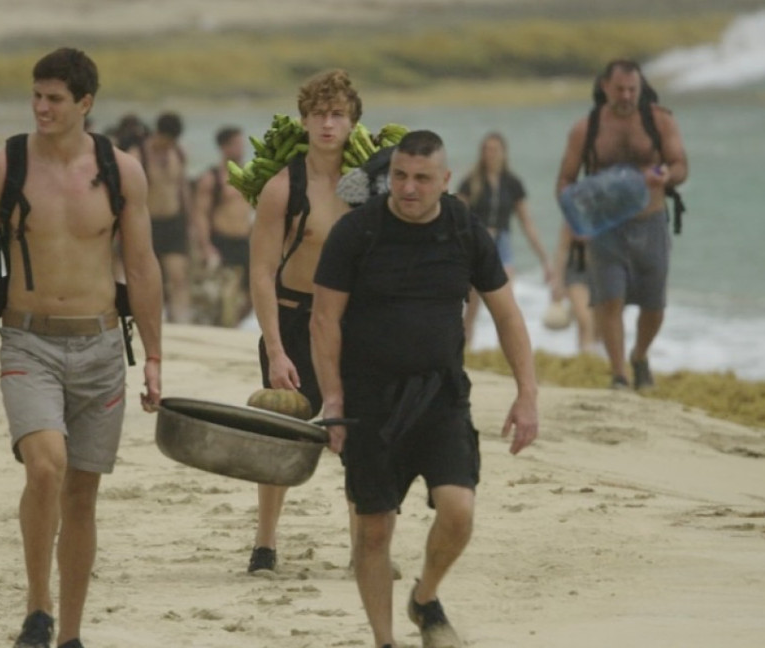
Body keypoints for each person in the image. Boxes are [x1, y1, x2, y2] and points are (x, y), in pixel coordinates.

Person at [0, 47, 164, 648]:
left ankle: (70, 634)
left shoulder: (121, 171)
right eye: (36, 96)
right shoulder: (3, 168)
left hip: (104, 347)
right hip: (29, 342)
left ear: (86, 104)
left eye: (55, 99)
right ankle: (37, 606)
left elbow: (142, 264)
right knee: (46, 469)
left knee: (82, 494)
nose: (42, 108)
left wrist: (155, 356)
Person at [311, 130, 539, 648]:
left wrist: (528, 393)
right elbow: (325, 319)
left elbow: (506, 313)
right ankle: (384, 640)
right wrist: (333, 398)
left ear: (444, 180)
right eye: (398, 177)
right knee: (373, 531)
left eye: (420, 178)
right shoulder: (357, 232)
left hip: (441, 397)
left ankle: (424, 596)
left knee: (458, 510)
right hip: (369, 401)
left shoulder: (463, 229)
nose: (408, 189)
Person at [246, 69, 361, 574]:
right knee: (279, 435)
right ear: (305, 121)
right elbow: (261, 272)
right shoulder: (282, 188)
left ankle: (364, 549)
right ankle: (265, 546)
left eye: (338, 115)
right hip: (294, 318)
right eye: (319, 115)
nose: (328, 125)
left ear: (353, 123)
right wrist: (275, 349)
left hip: (352, 324)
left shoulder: (369, 190)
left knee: (360, 438)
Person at [555, 59, 688, 389]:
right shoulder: (586, 129)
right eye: (620, 90)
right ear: (605, 88)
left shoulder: (660, 120)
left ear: (640, 88)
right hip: (605, 230)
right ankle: (619, 375)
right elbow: (565, 183)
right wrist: (577, 223)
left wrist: (665, 175)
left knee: (654, 306)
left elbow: (680, 165)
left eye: (633, 89)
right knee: (608, 301)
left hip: (651, 223)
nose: (627, 96)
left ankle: (639, 355)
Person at [456, 132, 553, 347]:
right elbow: (457, 217)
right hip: (476, 242)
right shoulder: (471, 181)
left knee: (505, 302)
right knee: (471, 305)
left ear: (504, 153)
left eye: (495, 150)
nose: (490, 154)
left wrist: (545, 259)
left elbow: (527, 223)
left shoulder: (512, 183)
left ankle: (505, 351)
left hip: (502, 243)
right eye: (486, 150)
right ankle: (464, 350)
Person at [190, 125, 253, 326]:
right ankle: (224, 327)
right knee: (221, 295)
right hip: (222, 241)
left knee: (253, 293)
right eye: (236, 144)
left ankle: (234, 324)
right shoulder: (212, 177)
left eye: (242, 144)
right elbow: (200, 214)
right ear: (224, 147)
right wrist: (206, 246)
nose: (241, 149)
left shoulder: (250, 174)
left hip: (245, 241)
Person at [136, 110, 193, 323]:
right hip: (148, 223)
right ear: (158, 133)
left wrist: (191, 222)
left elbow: (183, 188)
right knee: (149, 278)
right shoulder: (138, 154)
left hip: (174, 222)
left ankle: (182, 322)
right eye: (167, 140)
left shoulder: (178, 153)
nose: (169, 144)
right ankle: (152, 319)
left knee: (178, 275)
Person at [549, 224, 597, 354]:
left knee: (597, 325)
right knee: (584, 318)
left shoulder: (611, 215)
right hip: (577, 270)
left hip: (602, 272)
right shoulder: (574, 216)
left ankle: (585, 355)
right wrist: (557, 282)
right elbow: (562, 249)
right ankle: (588, 359)